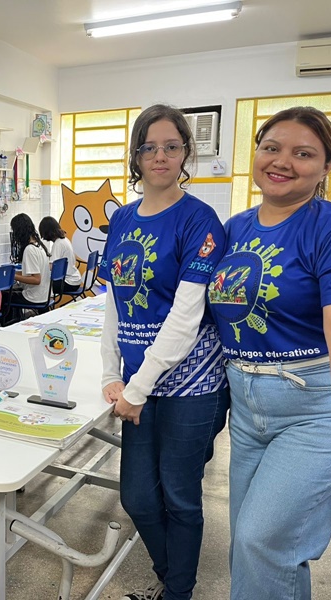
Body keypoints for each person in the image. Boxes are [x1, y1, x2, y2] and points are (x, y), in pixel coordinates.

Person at [206, 106, 331, 600]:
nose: (282, 161)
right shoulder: (235, 228)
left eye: (303, 153)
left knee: (261, 540)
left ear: (326, 167)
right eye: (272, 147)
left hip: (317, 403)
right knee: (254, 546)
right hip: (247, 406)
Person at [99, 104, 230, 600]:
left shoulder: (199, 220)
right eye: (149, 147)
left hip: (191, 385)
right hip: (137, 383)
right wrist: (111, 373)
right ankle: (172, 577)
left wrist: (136, 385)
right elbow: (112, 302)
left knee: (179, 497)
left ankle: (177, 591)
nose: (160, 156)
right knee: (136, 497)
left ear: (185, 153)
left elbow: (186, 316)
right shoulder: (124, 219)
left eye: (171, 146)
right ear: (136, 156)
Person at [6, 213, 52, 320]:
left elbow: (36, 279)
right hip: (44, 295)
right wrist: (14, 273)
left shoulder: (29, 250)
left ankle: (11, 325)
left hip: (34, 297)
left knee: (4, 297)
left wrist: (13, 276)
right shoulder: (39, 245)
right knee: (13, 293)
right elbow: (32, 273)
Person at [38, 215, 83, 295]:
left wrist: (38, 266)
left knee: (39, 285)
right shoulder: (65, 240)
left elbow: (51, 266)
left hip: (67, 282)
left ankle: (43, 305)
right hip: (75, 280)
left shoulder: (58, 244)